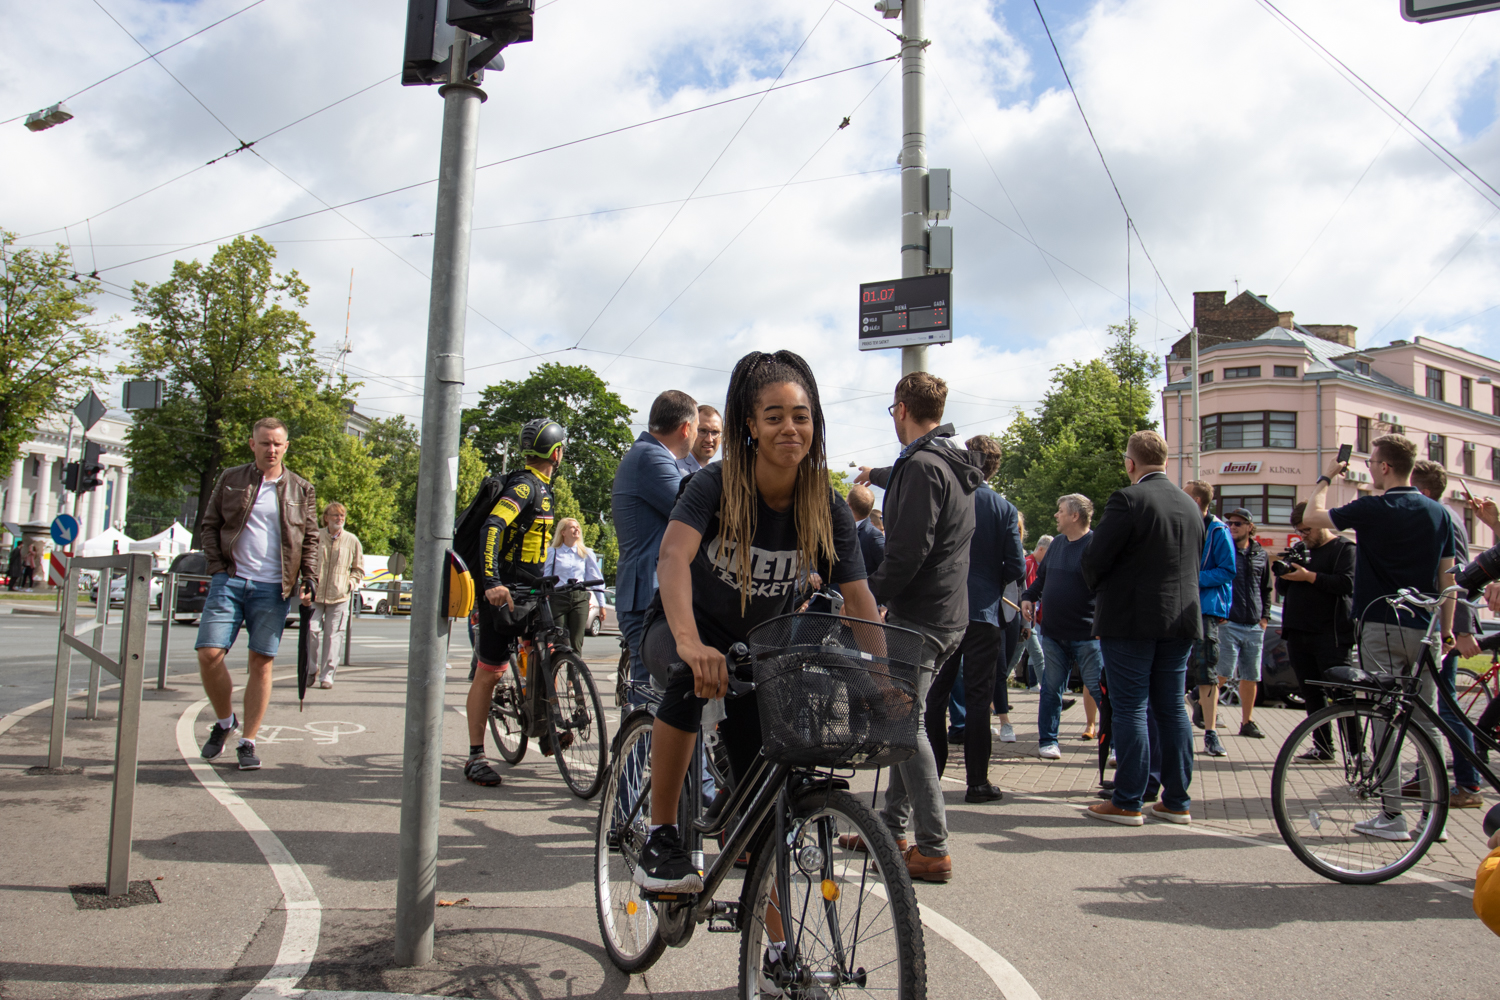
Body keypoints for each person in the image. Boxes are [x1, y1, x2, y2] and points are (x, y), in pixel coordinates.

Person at [635, 350, 881, 895]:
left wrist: (886, 678)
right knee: (688, 676)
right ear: (750, 425)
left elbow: (859, 598)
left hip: (754, 651)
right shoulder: (716, 485)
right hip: (680, 631)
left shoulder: (825, 504)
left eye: (801, 416)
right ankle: (660, 835)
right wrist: (689, 642)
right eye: (773, 416)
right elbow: (672, 558)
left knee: (764, 817)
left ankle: (774, 954)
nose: (789, 428)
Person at [855, 372, 985, 882]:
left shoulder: (924, 466)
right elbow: (910, 473)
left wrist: (867, 598)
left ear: (902, 409)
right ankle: (890, 827)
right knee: (910, 717)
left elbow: (907, 551)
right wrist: (879, 474)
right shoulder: (950, 462)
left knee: (903, 724)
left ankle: (933, 847)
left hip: (920, 617)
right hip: (952, 613)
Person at [1301, 434, 1455, 842]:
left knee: (1383, 716)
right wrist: (1447, 627)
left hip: (1380, 623)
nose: (1369, 469)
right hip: (1423, 628)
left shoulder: (1374, 507)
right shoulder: (1440, 514)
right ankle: (1434, 816)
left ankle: (1392, 815)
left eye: (1372, 464)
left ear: (1386, 467)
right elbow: (1448, 578)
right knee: (1427, 721)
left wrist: (1326, 477)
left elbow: (1314, 517)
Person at [1080, 430, 1202, 826]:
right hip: (1181, 617)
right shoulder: (1190, 504)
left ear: (1130, 463)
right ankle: (1177, 800)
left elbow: (1096, 556)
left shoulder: (1128, 498)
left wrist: (1097, 585)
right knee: (1172, 707)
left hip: (1131, 618)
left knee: (1131, 706)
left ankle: (1128, 799)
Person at [195, 417, 320, 771]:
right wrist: (218, 567)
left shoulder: (301, 489)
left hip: (273, 588)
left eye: (278, 443)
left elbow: (310, 539)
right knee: (209, 653)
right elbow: (210, 524)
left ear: (286, 446)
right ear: (252, 444)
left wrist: (308, 579)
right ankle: (224, 722)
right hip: (231, 580)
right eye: (265, 443)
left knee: (260, 664)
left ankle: (248, 741)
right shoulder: (231, 479)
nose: (271, 449)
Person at [463, 418, 565, 788]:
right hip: (503, 593)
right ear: (556, 453)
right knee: (490, 672)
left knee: (546, 651)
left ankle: (543, 724)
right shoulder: (524, 486)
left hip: (532, 590)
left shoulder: (544, 488)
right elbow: (493, 526)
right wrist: (491, 583)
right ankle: (475, 756)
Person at [923, 435, 1023, 804]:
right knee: (980, 698)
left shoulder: (950, 497)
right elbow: (1015, 566)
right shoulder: (1004, 508)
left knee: (936, 694)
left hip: (945, 609)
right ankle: (977, 782)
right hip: (984, 613)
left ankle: (931, 777)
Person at [613, 391, 698, 707]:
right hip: (646, 594)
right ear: (686, 429)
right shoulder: (652, 456)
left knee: (657, 692)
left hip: (650, 591)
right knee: (649, 696)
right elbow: (694, 509)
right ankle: (632, 757)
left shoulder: (651, 454)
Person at [1411, 460, 1485, 810]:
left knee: (1447, 708)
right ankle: (1423, 774)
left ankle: (1468, 784)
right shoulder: (1441, 514)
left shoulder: (1443, 517)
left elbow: (1461, 578)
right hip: (1436, 625)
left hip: (1448, 629)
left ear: (1422, 490)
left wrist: (1461, 628)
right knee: (1425, 705)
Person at [1023, 493, 1104, 760]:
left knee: (1101, 689)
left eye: (1060, 511)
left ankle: (1114, 742)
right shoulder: (1056, 544)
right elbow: (1041, 580)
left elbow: (1107, 588)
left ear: (1075, 515)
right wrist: (1028, 597)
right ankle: (1048, 740)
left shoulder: (1096, 545)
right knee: (1051, 689)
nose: (1056, 515)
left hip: (1087, 634)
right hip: (1054, 634)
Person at [1274, 500, 1355, 761]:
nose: (1303, 535)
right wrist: (1285, 575)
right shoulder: (1300, 549)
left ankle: (1356, 752)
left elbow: (1347, 584)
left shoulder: (1344, 549)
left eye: (1307, 529)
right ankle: (1323, 747)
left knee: (1342, 694)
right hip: (1298, 632)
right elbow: (1284, 590)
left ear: (1321, 523)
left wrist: (1309, 576)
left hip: (1330, 635)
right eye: (1299, 530)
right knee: (1311, 693)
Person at [1182, 480, 1235, 757]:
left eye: (1185, 493)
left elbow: (1227, 570)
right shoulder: (1180, 524)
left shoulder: (1218, 531)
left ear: (1198, 501)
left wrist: (1193, 579)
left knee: (1207, 670)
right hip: (1178, 607)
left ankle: (1211, 734)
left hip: (1205, 610)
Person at [1217, 507, 1272, 739]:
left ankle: (1247, 721)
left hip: (1253, 625)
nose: (1232, 527)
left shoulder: (1261, 554)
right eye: (1230, 523)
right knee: (1223, 672)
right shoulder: (1224, 551)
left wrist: (1264, 618)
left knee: (1250, 676)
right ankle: (1203, 704)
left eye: (1238, 523)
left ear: (1250, 527)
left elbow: (1266, 588)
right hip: (1229, 622)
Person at [305, 501, 364, 689]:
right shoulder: (316, 536)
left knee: (333, 636)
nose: (339, 519)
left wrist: (351, 583)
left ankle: (327, 675)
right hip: (315, 594)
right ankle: (310, 669)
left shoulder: (352, 540)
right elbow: (305, 560)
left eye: (342, 516)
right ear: (326, 518)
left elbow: (358, 568)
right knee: (310, 631)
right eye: (335, 515)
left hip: (339, 596)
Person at [544, 516, 605, 653]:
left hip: (579, 598)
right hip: (558, 598)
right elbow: (546, 577)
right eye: (572, 527)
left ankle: (575, 673)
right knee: (560, 639)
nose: (576, 529)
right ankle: (555, 669)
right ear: (563, 532)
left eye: (577, 527)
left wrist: (602, 605)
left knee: (576, 641)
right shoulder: (553, 552)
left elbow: (595, 577)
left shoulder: (586, 553)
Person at [847, 484, 885, 578]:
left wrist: (865, 586)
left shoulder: (873, 535)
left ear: (848, 506)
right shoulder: (841, 530)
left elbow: (888, 570)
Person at [677, 403, 723, 474]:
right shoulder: (675, 470)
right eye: (702, 431)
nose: (709, 439)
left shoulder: (720, 475)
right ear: (689, 431)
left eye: (715, 432)